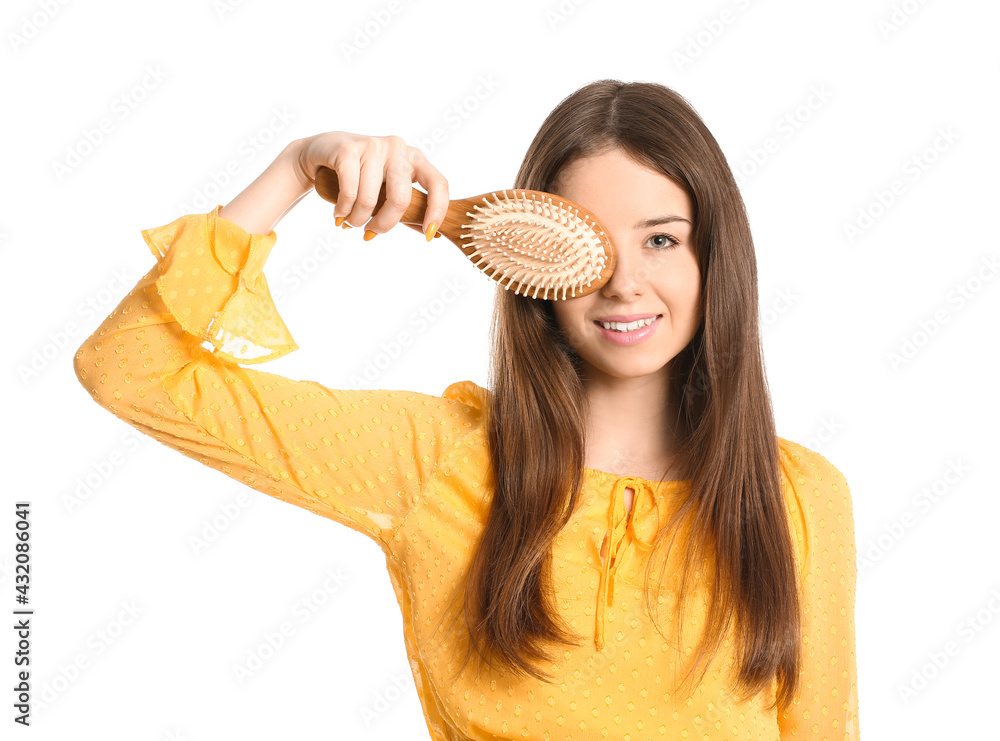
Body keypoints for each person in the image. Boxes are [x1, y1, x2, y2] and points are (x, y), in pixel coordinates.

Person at [73, 79, 859, 740]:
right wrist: (291, 169)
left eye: (661, 240)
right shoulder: (436, 458)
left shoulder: (801, 496)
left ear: (714, 256)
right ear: (530, 269)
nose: (624, 283)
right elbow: (130, 370)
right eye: (592, 245)